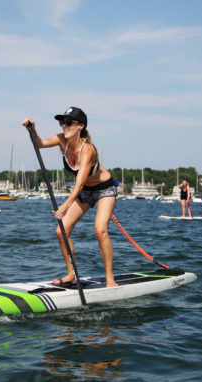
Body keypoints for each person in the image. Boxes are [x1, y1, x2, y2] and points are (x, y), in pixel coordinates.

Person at [22, 107, 118, 287]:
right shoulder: (61, 140)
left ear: (80, 126)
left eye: (68, 123)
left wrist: (64, 207)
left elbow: (79, 183)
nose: (64, 126)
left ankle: (110, 278)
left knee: (100, 230)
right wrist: (32, 130)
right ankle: (71, 274)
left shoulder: (87, 149)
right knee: (61, 232)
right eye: (62, 122)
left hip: (104, 189)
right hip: (85, 192)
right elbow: (40, 144)